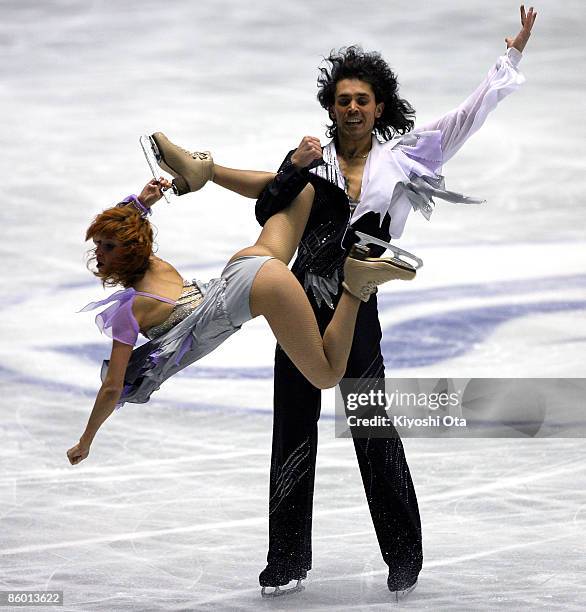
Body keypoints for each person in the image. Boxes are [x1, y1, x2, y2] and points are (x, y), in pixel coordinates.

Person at [211, 4, 537, 599]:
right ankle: (285, 560)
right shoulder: (313, 161)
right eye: (343, 100)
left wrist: (508, 57)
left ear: (378, 106)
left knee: (369, 423)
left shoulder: (403, 159)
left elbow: (466, 119)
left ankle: (403, 556)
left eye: (362, 99)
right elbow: (268, 208)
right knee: (293, 426)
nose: (353, 108)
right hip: (300, 300)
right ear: (331, 108)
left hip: (358, 303)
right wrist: (289, 167)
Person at [66, 134, 416, 468]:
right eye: (98, 246)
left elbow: (112, 387)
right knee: (302, 190)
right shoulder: (151, 264)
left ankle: (356, 282)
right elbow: (126, 227)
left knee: (326, 375)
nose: (98, 255)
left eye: (107, 247)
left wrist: (87, 439)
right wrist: (141, 204)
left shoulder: (129, 311)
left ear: (129, 248)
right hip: (245, 265)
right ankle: (208, 171)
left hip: (259, 286)